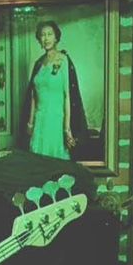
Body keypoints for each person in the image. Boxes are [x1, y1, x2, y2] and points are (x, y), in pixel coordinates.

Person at [22, 20, 87, 162]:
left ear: (56, 37)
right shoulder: (39, 64)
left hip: (56, 120)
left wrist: (67, 128)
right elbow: (34, 96)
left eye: (49, 34)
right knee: (37, 161)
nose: (46, 38)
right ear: (39, 39)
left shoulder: (63, 60)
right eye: (43, 35)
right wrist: (30, 123)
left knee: (54, 162)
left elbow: (67, 96)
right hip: (39, 121)